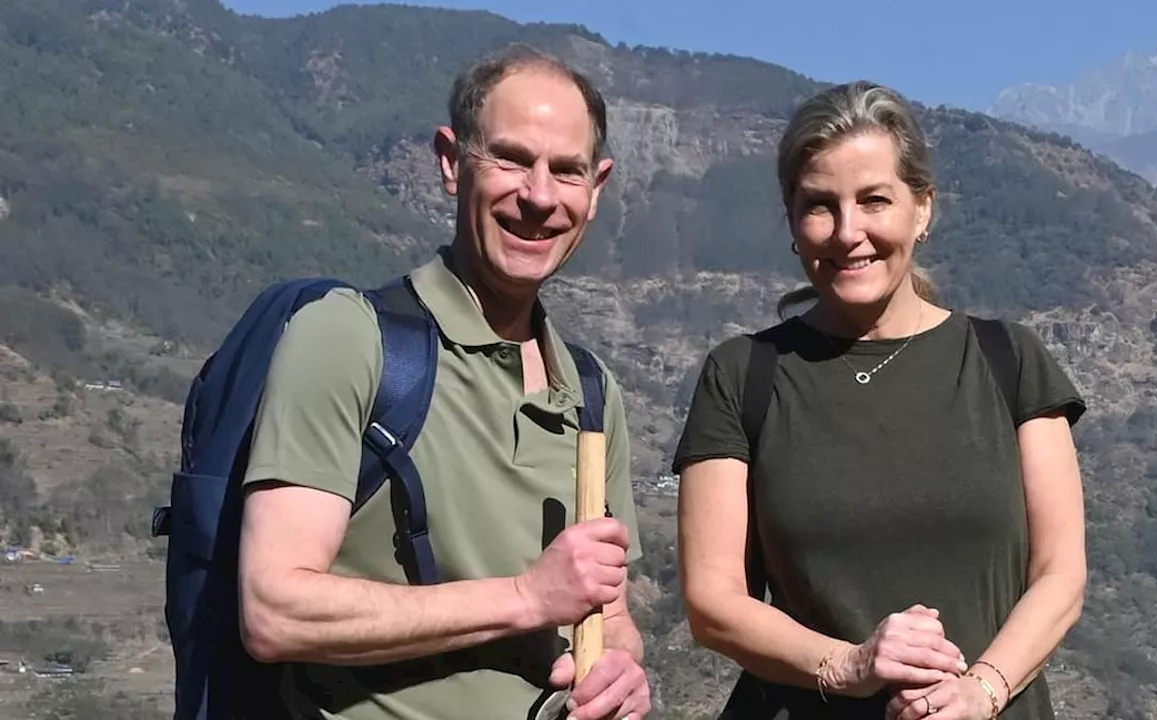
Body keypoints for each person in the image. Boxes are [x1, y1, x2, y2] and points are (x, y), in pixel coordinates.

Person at [235, 45, 650, 720]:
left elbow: (611, 613)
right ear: (452, 163)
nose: (539, 197)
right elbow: (273, 610)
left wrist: (624, 669)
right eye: (512, 159)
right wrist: (525, 598)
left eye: (567, 171)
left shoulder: (594, 394)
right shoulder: (349, 339)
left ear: (597, 188)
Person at [673, 80, 1088, 720]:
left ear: (923, 209)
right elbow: (712, 601)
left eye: (874, 200)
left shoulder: (1009, 362)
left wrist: (981, 691)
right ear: (792, 222)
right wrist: (848, 666)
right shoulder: (744, 375)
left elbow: (1061, 575)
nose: (848, 232)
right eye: (820, 205)